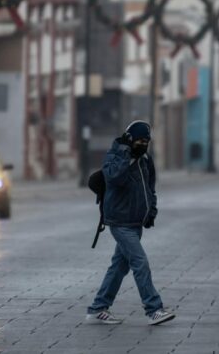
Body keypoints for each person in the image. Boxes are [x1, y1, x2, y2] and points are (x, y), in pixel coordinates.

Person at [86, 120, 175, 326]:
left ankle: (98, 307)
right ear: (128, 139)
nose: (143, 144)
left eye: (147, 141)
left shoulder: (145, 160)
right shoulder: (115, 157)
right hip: (119, 221)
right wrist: (126, 152)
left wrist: (151, 210)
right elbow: (115, 177)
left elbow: (150, 188)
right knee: (140, 262)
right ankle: (153, 309)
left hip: (135, 222)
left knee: (119, 266)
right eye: (139, 140)